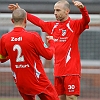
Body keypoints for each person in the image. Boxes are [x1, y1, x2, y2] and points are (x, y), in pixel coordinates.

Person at [8, 0, 90, 100]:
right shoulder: (53, 26)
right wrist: (22, 12)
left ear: (67, 11)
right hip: (58, 70)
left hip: (71, 70)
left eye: (58, 10)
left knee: (71, 97)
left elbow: (86, 20)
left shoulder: (74, 25)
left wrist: (82, 9)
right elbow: (39, 22)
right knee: (59, 98)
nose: (55, 13)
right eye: (54, 10)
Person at [0, 8, 60, 100]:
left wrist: (11, 53)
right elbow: (49, 55)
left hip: (20, 81)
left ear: (12, 21)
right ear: (25, 20)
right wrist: (52, 43)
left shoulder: (4, 38)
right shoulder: (33, 36)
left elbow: (2, 58)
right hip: (37, 79)